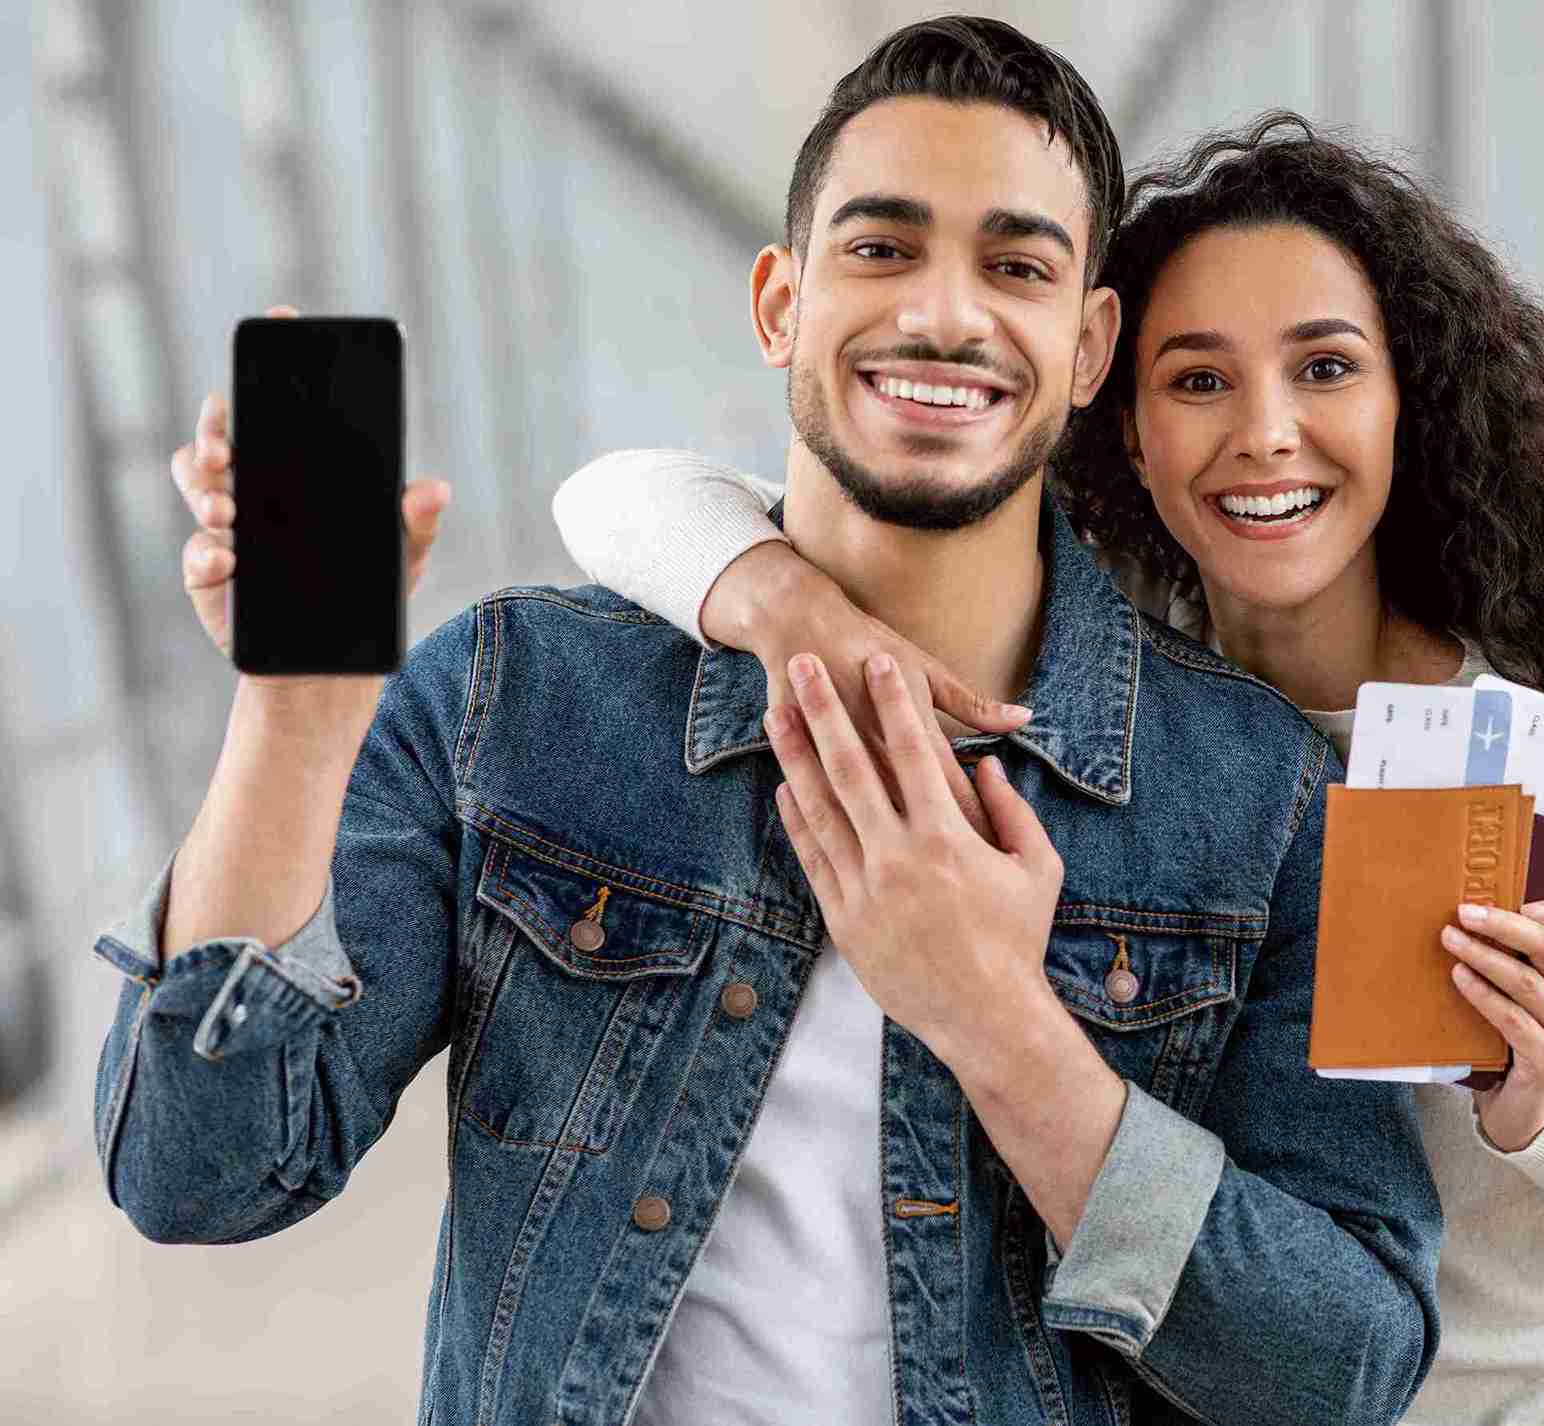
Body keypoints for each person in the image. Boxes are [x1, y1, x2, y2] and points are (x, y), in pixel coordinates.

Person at [93, 23, 1445, 1426]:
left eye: (1018, 266)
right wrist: (297, 722)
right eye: (881, 248)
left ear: (1091, 343)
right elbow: (197, 1171)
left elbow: (1341, 1373)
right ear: (777, 302)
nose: (944, 313)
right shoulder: (518, 699)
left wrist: (1003, 1030)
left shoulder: (1259, 798)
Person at [554, 113, 1544, 1426]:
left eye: (1323, 369)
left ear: (1402, 406)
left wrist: (1542, 1107)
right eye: (1198, 380)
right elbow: (613, 498)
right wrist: (791, 605)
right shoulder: (1124, 737)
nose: (1263, 432)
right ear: (1124, 427)